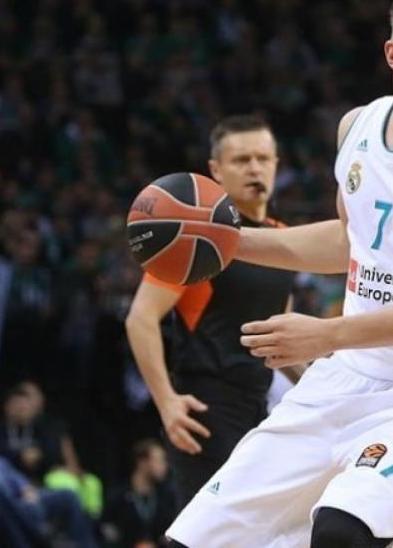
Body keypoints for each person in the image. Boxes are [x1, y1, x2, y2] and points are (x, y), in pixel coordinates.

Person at [167, 0, 393, 548]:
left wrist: (327, 334)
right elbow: (349, 241)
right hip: (345, 380)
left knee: (342, 530)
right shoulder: (356, 126)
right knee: (194, 540)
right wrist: (227, 240)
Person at [124, 114, 299, 504]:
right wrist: (167, 402)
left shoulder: (283, 237)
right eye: (241, 160)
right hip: (207, 405)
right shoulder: (197, 237)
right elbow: (140, 318)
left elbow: (276, 337)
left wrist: (319, 386)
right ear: (215, 171)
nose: (255, 168)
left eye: (263, 158)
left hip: (259, 403)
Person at [0, 394, 98, 548]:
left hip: (17, 496)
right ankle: (43, 538)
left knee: (68, 496)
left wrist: (23, 486)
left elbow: (2, 467)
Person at [102, 439, 177, 547]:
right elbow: (106, 529)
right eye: (158, 461)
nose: (163, 466)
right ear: (142, 462)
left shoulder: (166, 496)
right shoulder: (119, 496)